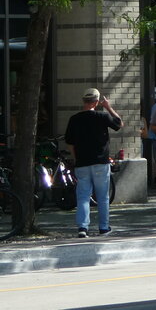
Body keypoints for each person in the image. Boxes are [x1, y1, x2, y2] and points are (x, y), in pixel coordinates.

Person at [64, 88, 123, 238]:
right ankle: (103, 227)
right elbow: (119, 123)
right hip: (100, 162)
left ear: (83, 101)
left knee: (83, 196)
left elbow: (70, 143)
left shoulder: (74, 119)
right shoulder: (102, 116)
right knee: (102, 197)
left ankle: (83, 228)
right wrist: (108, 107)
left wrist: (76, 157)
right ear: (96, 102)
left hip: (82, 163)